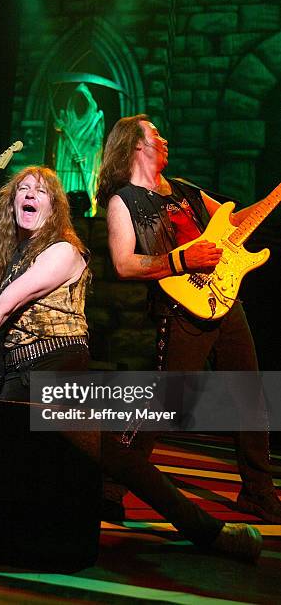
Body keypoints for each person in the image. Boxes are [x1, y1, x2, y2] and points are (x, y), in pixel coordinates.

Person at [0, 165, 262, 561]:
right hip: (16, 376)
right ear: (11, 202)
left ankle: (212, 532)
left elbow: (5, 305)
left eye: (40, 191)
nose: (29, 195)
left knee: (119, 459)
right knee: (10, 469)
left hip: (57, 368)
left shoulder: (63, 249)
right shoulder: (15, 255)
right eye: (23, 190)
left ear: (54, 207)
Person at [97, 114, 281, 524]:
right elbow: (124, 264)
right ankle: (111, 488)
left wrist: (275, 197)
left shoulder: (186, 191)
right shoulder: (124, 200)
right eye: (154, 134)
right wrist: (182, 259)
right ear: (135, 145)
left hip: (224, 301)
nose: (163, 138)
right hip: (179, 306)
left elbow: (234, 223)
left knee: (249, 395)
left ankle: (258, 491)